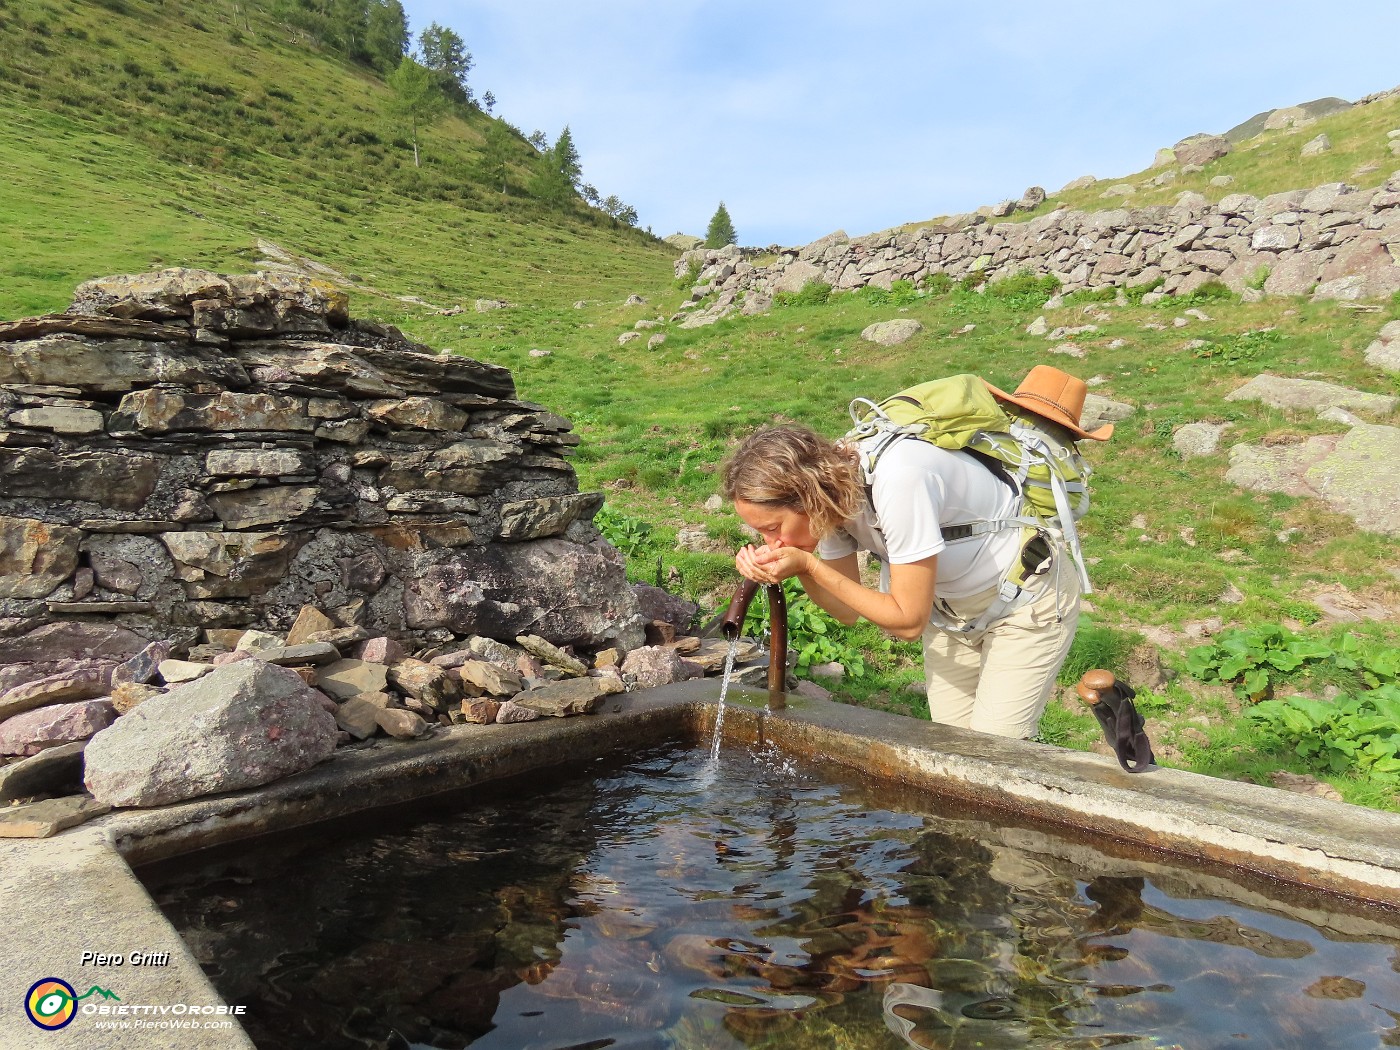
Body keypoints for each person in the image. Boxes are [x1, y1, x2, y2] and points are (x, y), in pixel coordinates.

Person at [719, 367, 1110, 740]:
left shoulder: (901, 478)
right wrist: (800, 567)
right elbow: (846, 611)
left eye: (772, 528)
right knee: (952, 746)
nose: (770, 542)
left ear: (807, 495)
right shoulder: (831, 493)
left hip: (1025, 603)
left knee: (996, 748)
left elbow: (905, 623)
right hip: (949, 614)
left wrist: (807, 563)